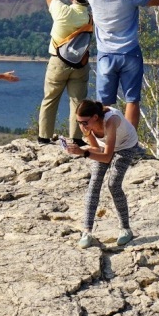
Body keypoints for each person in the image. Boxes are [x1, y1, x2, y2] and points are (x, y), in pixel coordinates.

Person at [88, 0, 159, 130]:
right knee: (132, 100)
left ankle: (107, 138)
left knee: (103, 103)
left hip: (106, 54)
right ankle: (129, 140)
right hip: (129, 52)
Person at [63, 98, 146, 249]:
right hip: (105, 146)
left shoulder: (111, 121)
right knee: (94, 183)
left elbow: (107, 156)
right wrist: (80, 149)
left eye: (84, 122)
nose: (81, 126)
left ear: (95, 117)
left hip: (126, 146)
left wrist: (83, 152)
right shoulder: (87, 126)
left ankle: (125, 228)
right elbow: (97, 148)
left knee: (113, 184)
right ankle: (87, 231)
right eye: (78, 122)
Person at [38, 0, 92, 143]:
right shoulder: (90, 18)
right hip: (80, 63)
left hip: (58, 62)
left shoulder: (62, 11)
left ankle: (44, 136)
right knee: (78, 101)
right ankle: (76, 138)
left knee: (50, 99)